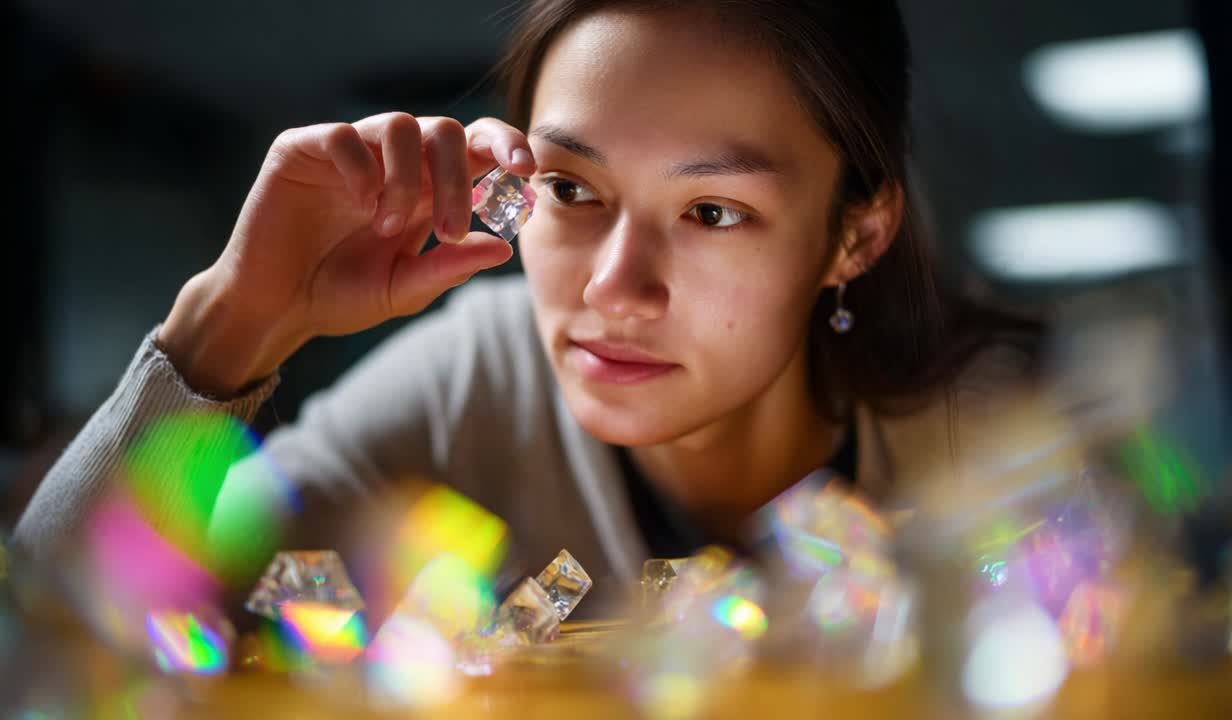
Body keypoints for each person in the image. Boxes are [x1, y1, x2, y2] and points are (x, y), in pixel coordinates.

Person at [14, 0, 1034, 612]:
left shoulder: (989, 447)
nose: (610, 288)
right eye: (572, 190)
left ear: (854, 233)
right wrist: (231, 321)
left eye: (712, 210)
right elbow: (52, 643)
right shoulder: (478, 379)